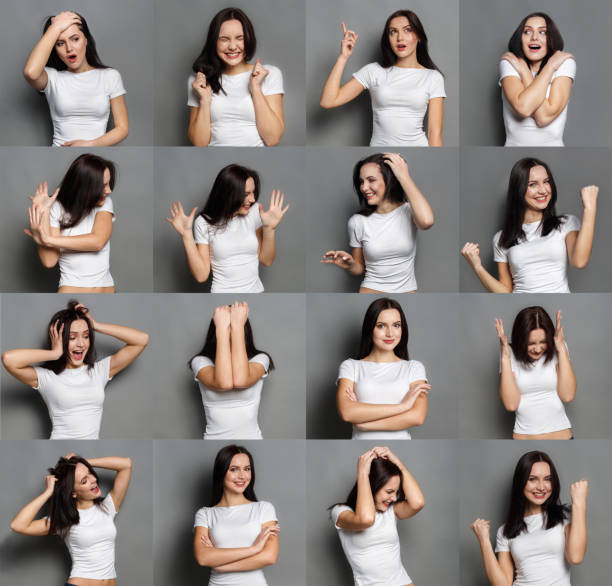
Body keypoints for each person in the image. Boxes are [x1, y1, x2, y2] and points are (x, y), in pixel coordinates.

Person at [1, 300, 149, 439]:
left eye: (86, 336)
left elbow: (141, 340)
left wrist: (96, 325)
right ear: (60, 340)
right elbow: (8, 359)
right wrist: (54, 353)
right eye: (72, 338)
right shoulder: (46, 378)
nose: (81, 344)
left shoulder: (99, 371)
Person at [461, 157, 598, 293]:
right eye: (533, 184)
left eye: (546, 182)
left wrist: (590, 209)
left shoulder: (566, 223)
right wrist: (477, 267)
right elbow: (505, 291)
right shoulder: (501, 238)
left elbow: (579, 261)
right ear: (518, 189)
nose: (543, 190)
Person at [320, 10, 445, 146]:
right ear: (388, 39)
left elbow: (434, 134)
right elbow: (328, 101)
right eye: (393, 32)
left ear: (419, 36)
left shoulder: (433, 77)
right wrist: (343, 57)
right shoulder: (373, 71)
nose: (400, 38)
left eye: (407, 30)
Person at [10, 453, 132, 586]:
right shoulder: (64, 520)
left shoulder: (107, 507)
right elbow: (18, 525)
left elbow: (126, 465)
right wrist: (47, 493)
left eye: (90, 473)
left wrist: (83, 463)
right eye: (84, 481)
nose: (93, 480)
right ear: (73, 493)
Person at [471, 450, 588, 586]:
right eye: (532, 479)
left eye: (547, 479)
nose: (541, 487)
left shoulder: (565, 515)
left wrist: (579, 503)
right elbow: (502, 584)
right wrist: (484, 541)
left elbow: (576, 557)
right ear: (521, 482)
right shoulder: (506, 531)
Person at [167, 163, 289, 293]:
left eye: (253, 192)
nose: (252, 199)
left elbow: (267, 260)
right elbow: (201, 275)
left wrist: (269, 228)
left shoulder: (254, 212)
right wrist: (186, 235)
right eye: (246, 194)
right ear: (229, 194)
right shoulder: (203, 223)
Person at [322, 153, 434, 293]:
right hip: (370, 291)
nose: (364, 187)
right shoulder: (358, 221)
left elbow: (427, 221)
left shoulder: (409, 211)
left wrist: (403, 175)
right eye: (362, 182)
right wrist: (350, 264)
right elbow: (359, 268)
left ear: (390, 180)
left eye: (371, 180)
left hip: (407, 292)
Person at [23, 11, 128, 146]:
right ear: (54, 48)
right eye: (60, 43)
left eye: (75, 39)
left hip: (94, 152)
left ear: (86, 40)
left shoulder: (110, 76)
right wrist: (55, 28)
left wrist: (90, 144)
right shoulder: (52, 78)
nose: (69, 48)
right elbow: (31, 73)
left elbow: (122, 128)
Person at [187, 7, 284, 146]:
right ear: (214, 42)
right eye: (224, 39)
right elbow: (200, 144)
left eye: (240, 38)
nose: (232, 46)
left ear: (249, 40)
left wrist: (255, 88)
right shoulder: (199, 80)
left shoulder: (270, 74)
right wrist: (205, 99)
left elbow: (273, 138)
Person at [336, 298, 430, 439]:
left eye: (396, 325)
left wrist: (364, 424)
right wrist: (403, 407)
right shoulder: (351, 367)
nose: (390, 334)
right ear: (370, 328)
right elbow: (347, 412)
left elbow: (417, 417)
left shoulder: (414, 368)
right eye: (381, 326)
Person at [24, 153, 118, 293]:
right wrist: (44, 213)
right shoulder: (56, 208)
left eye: (109, 184)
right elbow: (49, 261)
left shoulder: (105, 204)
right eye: (103, 186)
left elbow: (98, 242)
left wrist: (48, 239)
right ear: (85, 186)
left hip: (108, 290)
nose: (109, 190)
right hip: (71, 289)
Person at [331, 446, 424, 586]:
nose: (394, 498)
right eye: (389, 491)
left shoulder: (390, 511)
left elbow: (417, 503)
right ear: (373, 486)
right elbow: (366, 519)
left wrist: (399, 464)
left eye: (396, 492)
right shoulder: (340, 511)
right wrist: (363, 473)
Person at [193, 445, 279, 585]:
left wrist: (219, 564)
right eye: (234, 469)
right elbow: (203, 557)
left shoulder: (264, 509)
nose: (242, 476)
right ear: (221, 472)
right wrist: (254, 549)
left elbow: (269, 556)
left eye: (247, 469)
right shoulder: (205, 514)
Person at [190, 302, 274, 439]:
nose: (230, 328)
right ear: (216, 329)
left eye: (235, 324)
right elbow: (224, 383)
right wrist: (222, 330)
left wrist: (237, 326)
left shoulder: (260, 358)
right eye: (225, 324)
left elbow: (241, 380)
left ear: (243, 329)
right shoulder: (200, 361)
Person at [496, 307, 575, 440]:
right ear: (520, 339)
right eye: (531, 343)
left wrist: (561, 348)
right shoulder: (508, 353)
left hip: (562, 436)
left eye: (543, 342)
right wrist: (505, 358)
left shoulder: (558, 348)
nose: (538, 349)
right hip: (524, 437)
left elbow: (567, 395)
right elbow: (511, 404)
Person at [499, 12, 575, 146]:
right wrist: (548, 68)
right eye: (527, 32)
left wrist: (527, 71)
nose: (534, 37)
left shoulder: (564, 63)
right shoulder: (510, 62)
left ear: (551, 38)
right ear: (520, 38)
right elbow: (524, 108)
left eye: (543, 32)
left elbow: (543, 118)